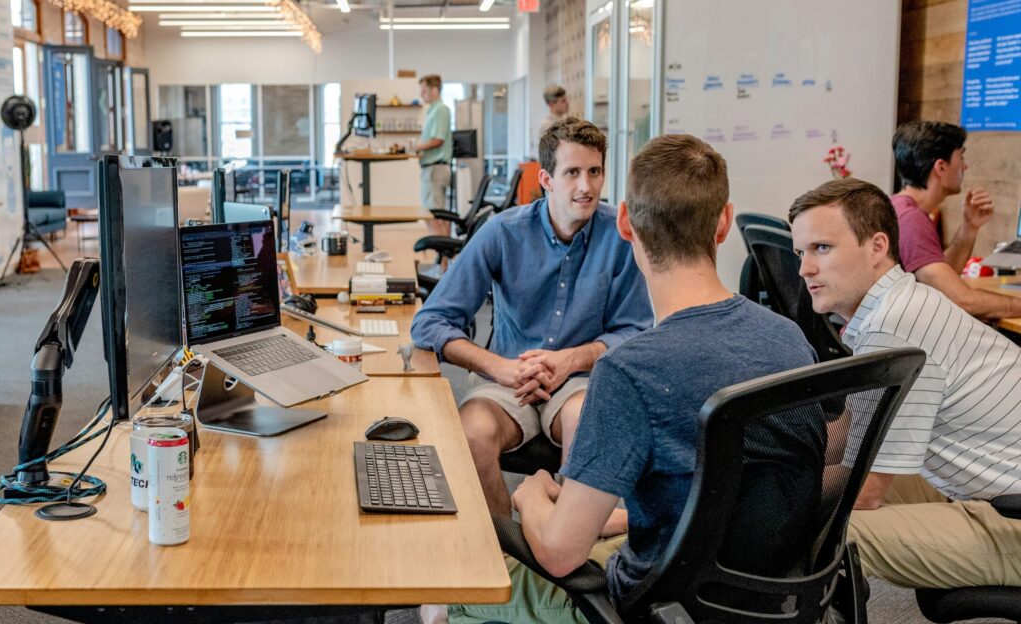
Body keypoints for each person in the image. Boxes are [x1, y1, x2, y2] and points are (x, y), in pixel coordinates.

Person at [426, 133, 823, 624]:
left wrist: (530, 495)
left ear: (626, 223)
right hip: (774, 601)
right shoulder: (791, 341)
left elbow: (558, 554)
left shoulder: (629, 372)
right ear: (724, 223)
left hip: (651, 603)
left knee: (446, 596)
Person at [411, 118, 653, 519]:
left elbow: (637, 331)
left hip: (580, 381)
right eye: (572, 173)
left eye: (595, 172)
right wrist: (498, 367)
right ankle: (508, 548)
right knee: (471, 433)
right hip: (508, 378)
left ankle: (563, 545)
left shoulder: (621, 236)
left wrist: (571, 360)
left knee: (585, 422)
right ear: (546, 178)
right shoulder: (502, 233)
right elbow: (430, 322)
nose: (586, 187)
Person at [789, 177, 1021, 589]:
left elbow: (866, 491)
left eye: (822, 248)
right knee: (797, 491)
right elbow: (853, 434)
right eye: (800, 252)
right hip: (989, 493)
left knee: (830, 530)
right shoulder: (897, 307)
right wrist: (758, 467)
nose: (804, 269)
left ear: (877, 247)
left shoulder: (895, 326)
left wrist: (747, 499)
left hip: (1010, 520)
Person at [890, 120, 1020, 318]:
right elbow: (961, 300)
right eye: (961, 157)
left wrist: (970, 227)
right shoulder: (910, 220)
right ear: (941, 167)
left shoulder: (901, 207)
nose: (965, 166)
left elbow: (941, 280)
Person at [415, 74, 453, 237]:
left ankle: (443, 259)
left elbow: (438, 140)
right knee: (436, 215)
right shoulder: (433, 111)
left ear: (434, 90)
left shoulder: (440, 110)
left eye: (424, 91)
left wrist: (416, 147)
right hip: (432, 168)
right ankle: (443, 259)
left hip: (435, 169)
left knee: (434, 216)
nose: (421, 95)